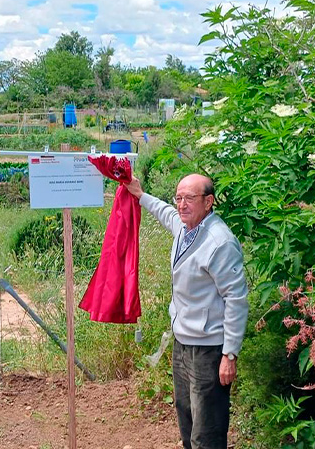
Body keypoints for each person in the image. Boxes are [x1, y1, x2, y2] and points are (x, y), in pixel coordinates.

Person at [125, 173, 249, 449]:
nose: (182, 204)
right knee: (187, 419)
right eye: (179, 197)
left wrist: (230, 353)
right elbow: (166, 213)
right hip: (183, 343)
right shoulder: (185, 228)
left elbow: (236, 299)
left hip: (209, 349)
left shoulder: (220, 242)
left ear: (208, 201)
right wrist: (140, 195)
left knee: (207, 431)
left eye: (190, 198)